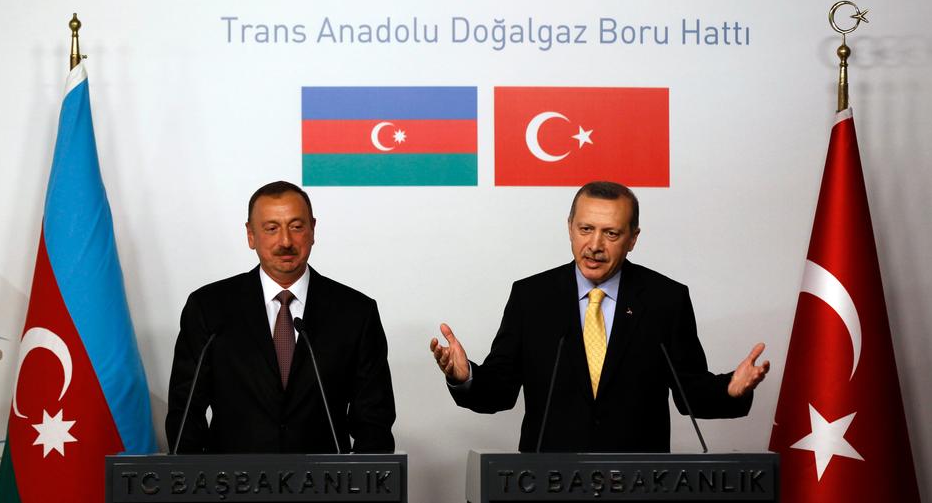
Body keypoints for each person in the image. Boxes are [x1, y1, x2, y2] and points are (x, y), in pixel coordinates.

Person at [430, 181, 769, 452]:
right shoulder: (531, 297)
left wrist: (730, 388)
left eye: (611, 233)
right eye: (585, 229)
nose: (594, 245)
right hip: (547, 484)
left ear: (633, 238)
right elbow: (499, 391)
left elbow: (689, 392)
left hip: (640, 485)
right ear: (569, 228)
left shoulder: (665, 299)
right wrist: (465, 376)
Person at [166, 181, 395, 453]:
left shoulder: (355, 312)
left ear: (312, 230)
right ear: (251, 235)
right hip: (229, 488)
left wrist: (361, 486)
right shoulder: (209, 308)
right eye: (271, 228)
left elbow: (374, 420)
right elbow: (185, 411)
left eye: (296, 227)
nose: (285, 241)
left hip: (327, 487)